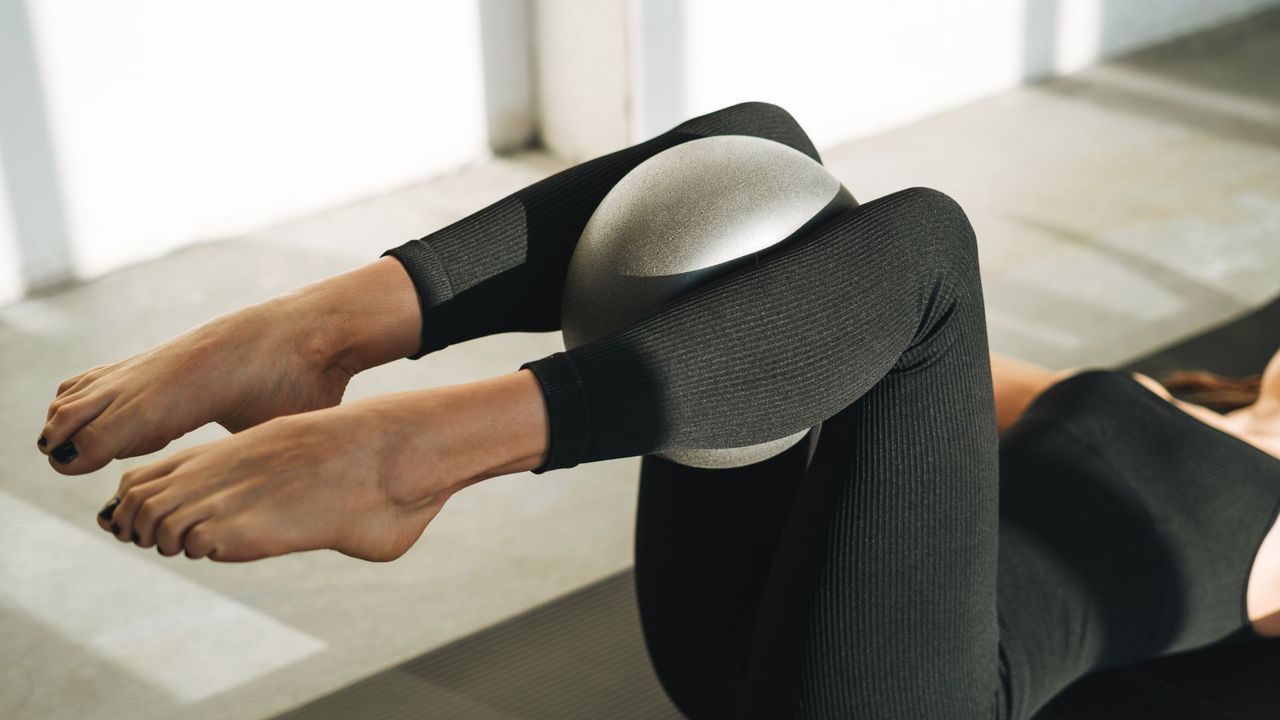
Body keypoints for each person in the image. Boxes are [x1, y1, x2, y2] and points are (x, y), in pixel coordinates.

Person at [35, 102, 1280, 718]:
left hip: (899, 704)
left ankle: (424, 451)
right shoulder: (1147, 397)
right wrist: (806, 264)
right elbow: (869, 348)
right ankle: (321, 331)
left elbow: (917, 304)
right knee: (757, 163)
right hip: (743, 626)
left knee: (927, 252)